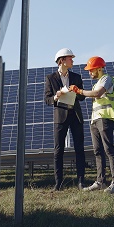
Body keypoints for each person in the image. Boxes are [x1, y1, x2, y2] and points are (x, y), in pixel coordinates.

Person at [70, 56, 114, 194]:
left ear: (99, 69)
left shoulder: (106, 79)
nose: (90, 73)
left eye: (91, 70)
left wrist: (79, 91)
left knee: (109, 150)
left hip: (105, 118)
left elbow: (97, 94)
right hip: (95, 120)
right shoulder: (97, 82)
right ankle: (100, 182)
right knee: (98, 151)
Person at [44, 48, 86, 191]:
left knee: (79, 149)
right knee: (58, 150)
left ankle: (81, 181)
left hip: (75, 115)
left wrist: (77, 91)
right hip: (60, 117)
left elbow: (82, 97)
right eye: (70, 58)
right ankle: (59, 183)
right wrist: (56, 96)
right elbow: (47, 99)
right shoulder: (51, 78)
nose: (72, 61)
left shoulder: (77, 77)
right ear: (62, 60)